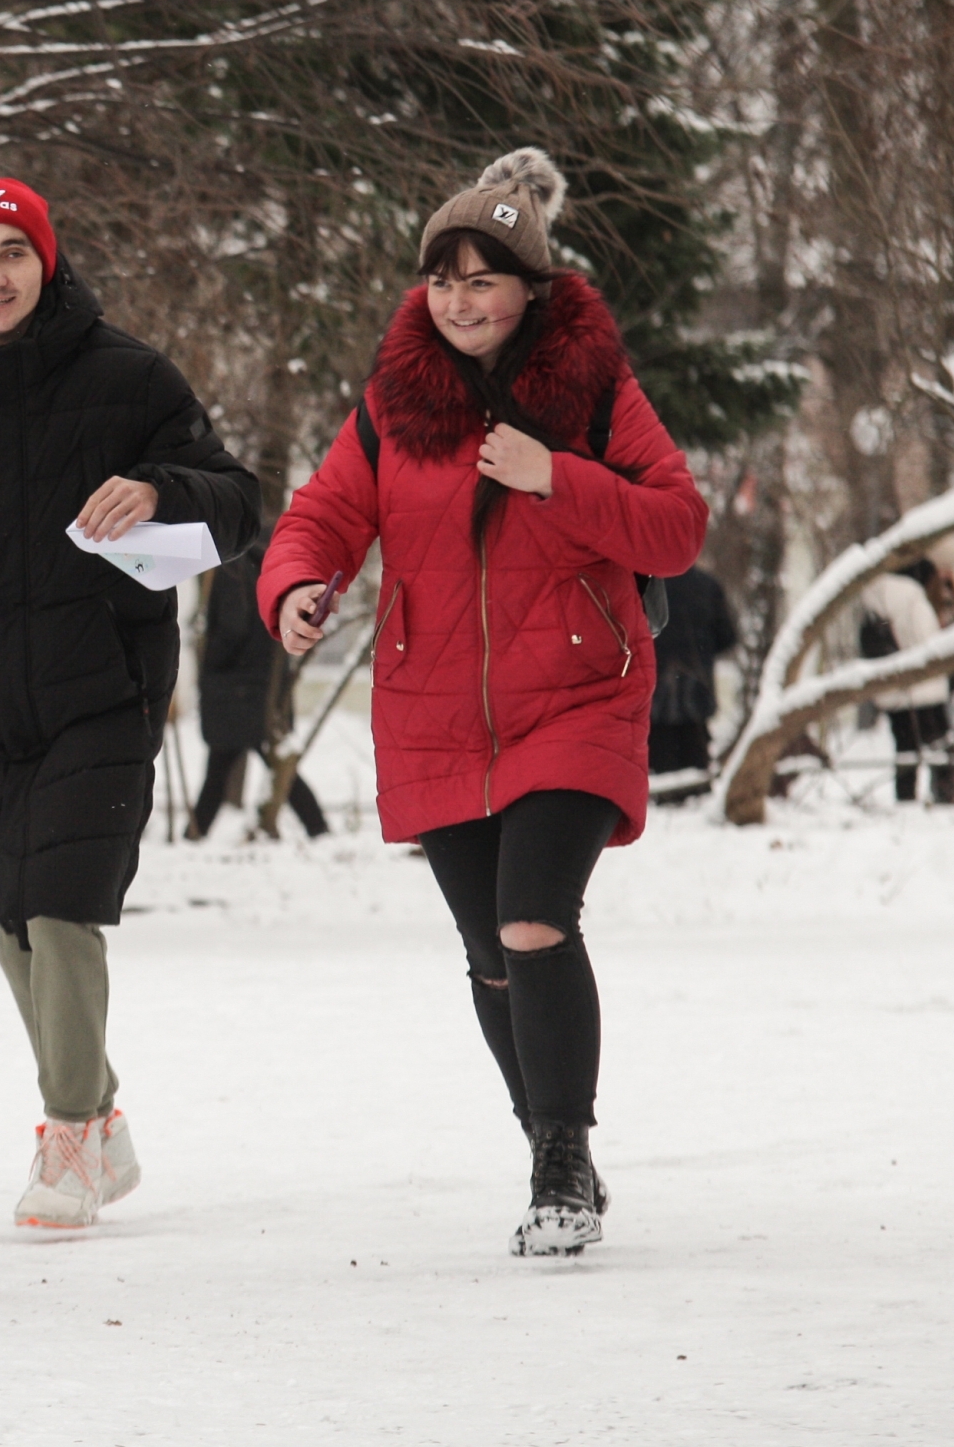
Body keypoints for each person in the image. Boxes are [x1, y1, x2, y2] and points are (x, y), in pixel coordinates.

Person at [263, 149, 708, 1256]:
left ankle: (559, 1158)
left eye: (484, 278)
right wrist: (294, 589)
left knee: (531, 916)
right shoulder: (392, 406)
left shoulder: (593, 390)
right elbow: (320, 516)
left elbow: (676, 525)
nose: (461, 299)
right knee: (488, 952)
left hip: (576, 699)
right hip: (432, 709)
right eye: (443, 279)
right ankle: (550, 1143)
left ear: (530, 289)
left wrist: (556, 473)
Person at [0, 176, 260, 1229]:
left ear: (47, 263)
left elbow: (236, 499)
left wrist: (162, 487)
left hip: (102, 690)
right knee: (13, 917)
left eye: (12, 253)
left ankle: (69, 1133)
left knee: (62, 908)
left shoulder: (125, 376)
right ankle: (101, 1118)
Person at [189, 535, 328, 839]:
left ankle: (195, 834)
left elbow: (231, 627)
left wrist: (208, 656)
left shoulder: (230, 567)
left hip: (237, 688)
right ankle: (318, 829)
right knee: (258, 761)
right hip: (260, 685)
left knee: (224, 766)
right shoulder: (261, 561)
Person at [859, 559, 954, 804]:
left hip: (892, 689)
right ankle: (945, 794)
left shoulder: (873, 594)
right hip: (925, 687)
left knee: (904, 747)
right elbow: (927, 639)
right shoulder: (911, 596)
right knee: (940, 743)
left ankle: (905, 798)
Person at [648, 565, 738, 778]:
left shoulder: (643, 584)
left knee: (658, 775)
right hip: (696, 694)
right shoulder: (706, 585)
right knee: (697, 775)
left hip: (654, 699)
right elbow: (727, 638)